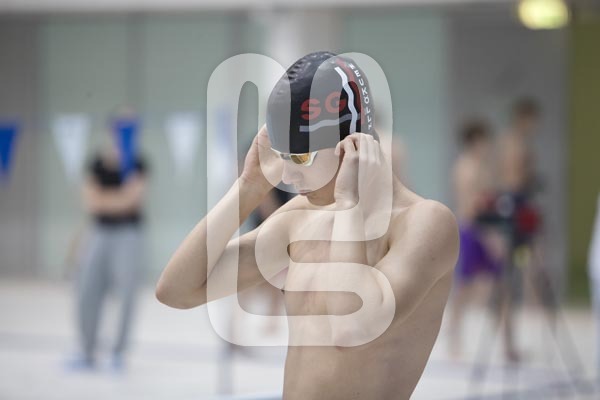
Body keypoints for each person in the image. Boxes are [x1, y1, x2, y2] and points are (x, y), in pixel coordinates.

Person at [156, 51, 459, 399]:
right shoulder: (301, 218)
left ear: (351, 141)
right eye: (283, 157)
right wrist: (247, 189)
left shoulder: (425, 224)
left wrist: (348, 202)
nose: (287, 176)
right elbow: (176, 291)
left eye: (300, 157)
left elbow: (350, 328)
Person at [68, 119, 148, 372]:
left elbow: (133, 200)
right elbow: (91, 202)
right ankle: (86, 351)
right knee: (86, 289)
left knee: (126, 294)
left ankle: (118, 353)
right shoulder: (97, 162)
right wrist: (118, 200)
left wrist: (106, 200)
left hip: (128, 234)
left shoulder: (138, 162)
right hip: (99, 232)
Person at [448, 120, 501, 359]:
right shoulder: (466, 168)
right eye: (483, 141)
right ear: (475, 141)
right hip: (472, 230)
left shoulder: (484, 168)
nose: (487, 146)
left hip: (484, 229)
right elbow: (471, 207)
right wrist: (488, 236)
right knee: (465, 288)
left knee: (498, 285)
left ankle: (503, 341)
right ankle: (454, 338)